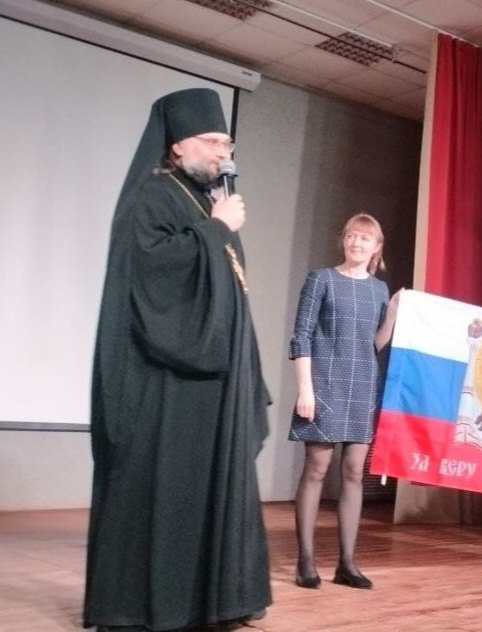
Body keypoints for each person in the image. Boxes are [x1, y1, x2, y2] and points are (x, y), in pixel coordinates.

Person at [84, 88, 272, 631]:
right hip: (166, 385)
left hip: (213, 383)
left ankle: (216, 600)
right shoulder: (153, 195)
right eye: (213, 142)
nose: (223, 154)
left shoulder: (206, 202)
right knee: (160, 491)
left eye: (227, 144)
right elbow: (153, 275)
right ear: (176, 146)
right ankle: (149, 607)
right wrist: (216, 230)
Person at [288, 213, 399, 591]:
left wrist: (392, 316)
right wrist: (305, 389)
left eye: (365, 238)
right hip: (323, 383)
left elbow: (375, 343)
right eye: (352, 236)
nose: (356, 243)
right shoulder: (321, 279)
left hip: (362, 385)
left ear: (376, 247)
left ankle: (347, 564)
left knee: (353, 472)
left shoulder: (379, 290)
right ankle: (305, 561)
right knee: (317, 470)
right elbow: (301, 337)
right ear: (344, 240)